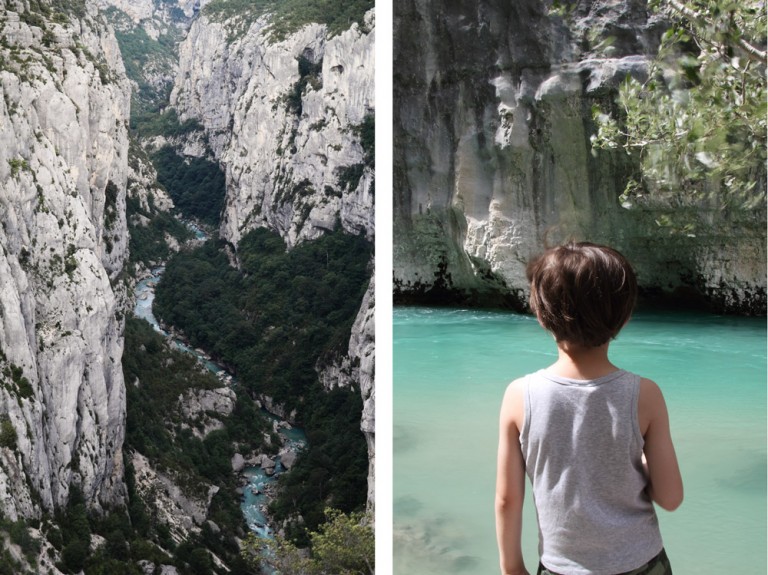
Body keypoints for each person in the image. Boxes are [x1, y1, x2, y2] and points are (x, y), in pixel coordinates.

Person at [495, 241, 683, 575]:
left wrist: (512, 568)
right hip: (642, 563)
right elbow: (670, 497)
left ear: (540, 313)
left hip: (561, 567)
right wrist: (639, 460)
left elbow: (508, 500)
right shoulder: (645, 395)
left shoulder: (518, 395)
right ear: (623, 318)